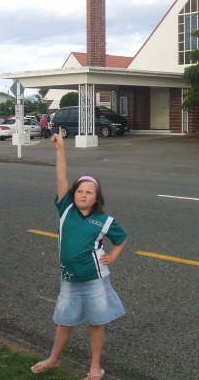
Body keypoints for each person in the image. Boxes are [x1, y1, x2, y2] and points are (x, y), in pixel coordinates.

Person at [31, 127, 128, 379]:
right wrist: (60, 149)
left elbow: (121, 239)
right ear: (73, 194)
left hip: (96, 280)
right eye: (80, 191)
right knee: (65, 321)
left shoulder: (105, 220)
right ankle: (53, 359)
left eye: (89, 192)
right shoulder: (66, 210)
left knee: (96, 323)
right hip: (69, 280)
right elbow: (61, 178)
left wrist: (114, 256)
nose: (83, 195)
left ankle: (95, 366)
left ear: (96, 198)